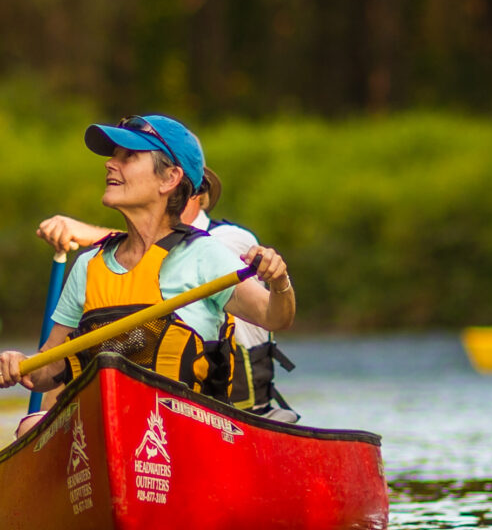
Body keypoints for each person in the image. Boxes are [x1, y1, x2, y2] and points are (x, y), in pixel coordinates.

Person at [0, 115, 293, 406]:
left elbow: (276, 317)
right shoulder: (87, 265)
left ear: (170, 178)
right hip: (110, 426)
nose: (110, 163)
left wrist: (280, 282)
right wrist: (21, 365)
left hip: (186, 428)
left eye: (128, 157)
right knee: (30, 425)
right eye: (113, 156)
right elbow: (48, 369)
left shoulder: (206, 254)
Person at [30, 167, 300, 419]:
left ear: (191, 191)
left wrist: (92, 234)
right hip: (139, 411)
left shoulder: (225, 241)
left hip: (233, 413)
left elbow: (177, 251)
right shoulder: (98, 262)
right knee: (57, 391)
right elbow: (54, 360)